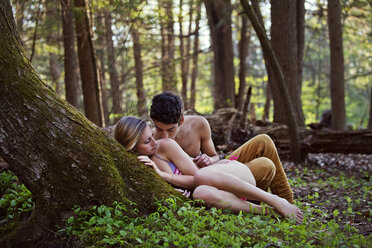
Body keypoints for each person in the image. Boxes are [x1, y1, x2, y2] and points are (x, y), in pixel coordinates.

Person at [114, 116, 303, 223]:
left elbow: (197, 176)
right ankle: (270, 211)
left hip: (219, 175)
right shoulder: (139, 165)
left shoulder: (164, 146)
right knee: (201, 193)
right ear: (132, 147)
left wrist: (163, 175)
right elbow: (193, 189)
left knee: (264, 157)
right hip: (215, 188)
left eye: (152, 135)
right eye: (148, 140)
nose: (156, 140)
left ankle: (279, 201)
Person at [150, 91, 295, 204]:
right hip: (209, 187)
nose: (164, 136)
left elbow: (215, 156)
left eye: (170, 130)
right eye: (159, 129)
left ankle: (288, 202)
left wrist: (208, 159)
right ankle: (254, 200)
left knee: (263, 141)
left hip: (217, 171)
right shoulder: (149, 140)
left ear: (181, 120)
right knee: (265, 166)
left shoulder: (198, 124)